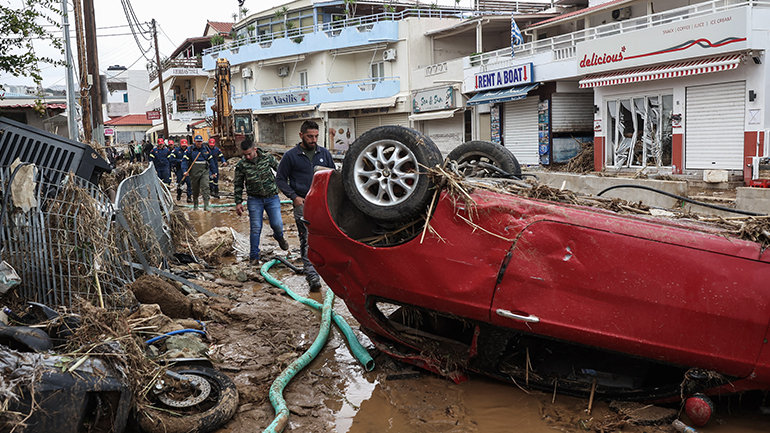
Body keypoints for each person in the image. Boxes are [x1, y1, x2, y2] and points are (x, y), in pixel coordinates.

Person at [276, 120, 335, 291]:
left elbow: (332, 176)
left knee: (326, 239)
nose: (314, 139)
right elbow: (280, 179)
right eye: (310, 136)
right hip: (302, 203)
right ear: (301, 135)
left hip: (322, 204)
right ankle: (312, 276)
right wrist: (293, 196)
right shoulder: (291, 156)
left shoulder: (324, 153)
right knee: (307, 239)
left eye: (316, 136)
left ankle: (327, 273)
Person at [234, 138, 289, 265]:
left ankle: (279, 237)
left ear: (255, 149)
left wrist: (288, 188)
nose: (248, 157)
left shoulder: (267, 158)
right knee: (256, 228)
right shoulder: (241, 165)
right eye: (245, 155)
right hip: (254, 199)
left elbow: (281, 172)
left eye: (250, 154)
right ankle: (254, 257)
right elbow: (238, 184)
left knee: (277, 224)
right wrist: (238, 202)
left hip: (272, 197)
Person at [182, 135, 213, 210]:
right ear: (194, 141)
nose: (199, 143)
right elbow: (184, 161)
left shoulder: (206, 149)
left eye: (200, 141)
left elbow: (211, 161)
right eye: (197, 141)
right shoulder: (190, 150)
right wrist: (184, 171)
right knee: (195, 188)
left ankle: (206, 205)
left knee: (205, 187)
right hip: (194, 171)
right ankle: (196, 204)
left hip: (204, 171)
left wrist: (213, 172)